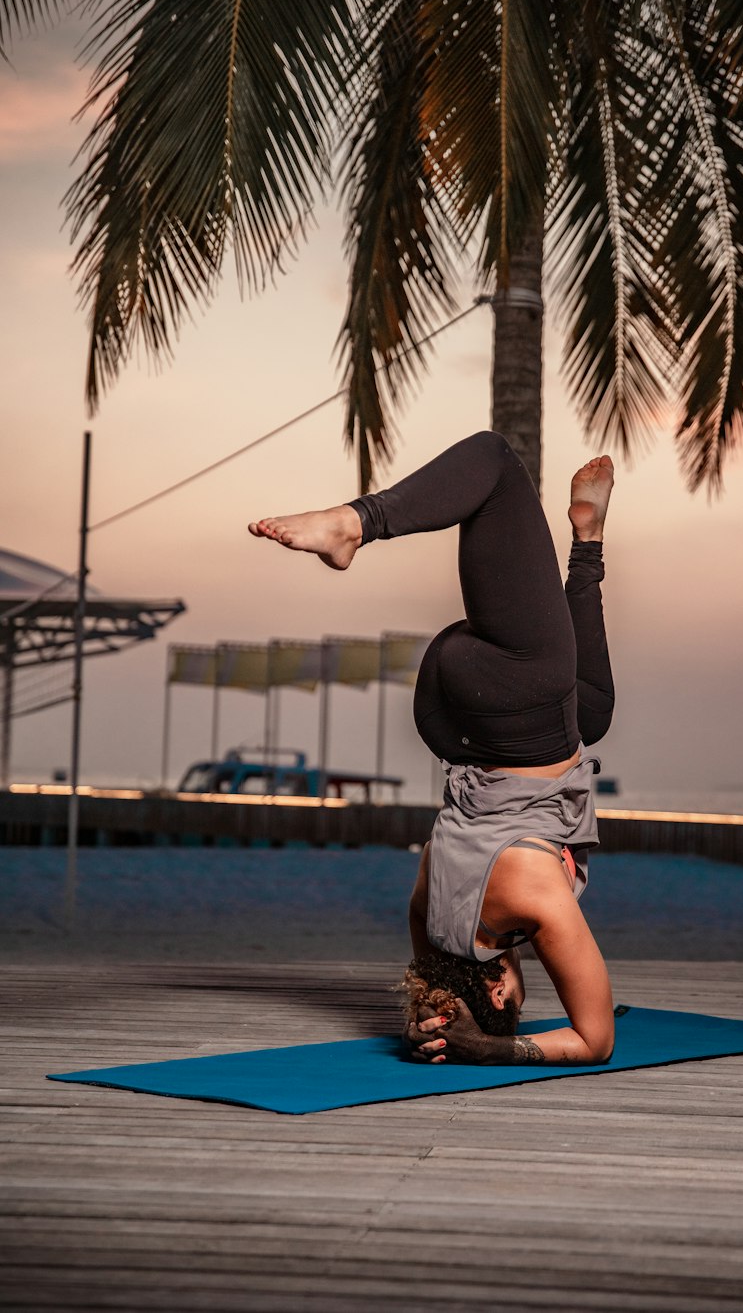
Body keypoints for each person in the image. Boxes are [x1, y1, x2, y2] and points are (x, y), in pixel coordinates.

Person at [249, 430, 615, 1065]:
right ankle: (587, 540)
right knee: (595, 714)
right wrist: (438, 1020)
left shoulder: (533, 894)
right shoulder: (432, 918)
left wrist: (486, 1048)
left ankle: (353, 525)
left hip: (516, 700)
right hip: (454, 721)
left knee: (497, 463)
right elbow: (444, 971)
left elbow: (594, 1040)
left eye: (518, 998)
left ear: (500, 994)